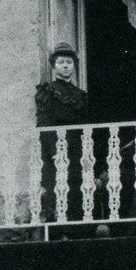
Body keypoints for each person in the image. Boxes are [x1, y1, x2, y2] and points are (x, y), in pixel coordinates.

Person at [35, 44, 88, 221]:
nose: (65, 66)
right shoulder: (48, 91)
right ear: (54, 66)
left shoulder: (80, 94)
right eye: (60, 62)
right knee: (57, 189)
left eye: (69, 62)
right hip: (55, 147)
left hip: (76, 148)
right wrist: (54, 151)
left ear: (74, 65)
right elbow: (44, 125)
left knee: (76, 190)